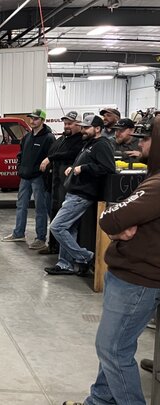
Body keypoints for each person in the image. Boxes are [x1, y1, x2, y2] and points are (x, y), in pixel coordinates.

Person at [63, 115, 159, 405]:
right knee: (116, 348)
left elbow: (110, 218)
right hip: (131, 275)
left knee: (112, 350)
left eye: (147, 137)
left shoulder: (157, 186)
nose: (140, 141)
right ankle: (100, 400)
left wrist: (117, 223)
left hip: (137, 279)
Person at [45, 115, 115, 276]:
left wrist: (83, 168)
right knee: (69, 229)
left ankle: (86, 256)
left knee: (57, 227)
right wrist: (73, 167)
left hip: (82, 194)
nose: (83, 130)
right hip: (74, 191)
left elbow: (108, 168)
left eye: (86, 127)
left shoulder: (102, 145)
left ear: (97, 129)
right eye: (82, 127)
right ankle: (65, 264)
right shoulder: (89, 143)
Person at [2, 109, 54, 249]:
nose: (33, 121)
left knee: (40, 209)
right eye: (31, 118)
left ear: (42, 120)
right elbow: (21, 154)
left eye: (36, 119)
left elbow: (52, 157)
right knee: (21, 206)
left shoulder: (48, 138)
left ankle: (41, 238)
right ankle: (18, 233)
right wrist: (20, 168)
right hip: (25, 177)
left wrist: (43, 168)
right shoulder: (27, 137)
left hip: (39, 178)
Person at [38, 111, 84, 255]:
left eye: (70, 124)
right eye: (65, 124)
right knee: (53, 213)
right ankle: (53, 246)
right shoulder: (63, 138)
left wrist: (50, 158)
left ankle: (65, 252)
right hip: (55, 183)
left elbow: (70, 153)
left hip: (67, 184)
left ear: (79, 125)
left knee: (63, 220)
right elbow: (53, 151)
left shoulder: (80, 140)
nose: (66, 126)